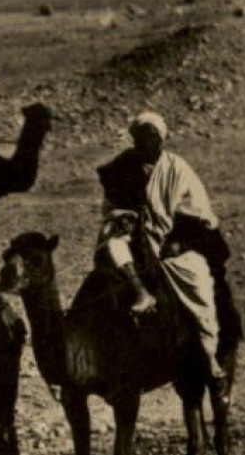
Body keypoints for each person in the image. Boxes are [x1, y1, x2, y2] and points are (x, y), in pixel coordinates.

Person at [96, 111, 230, 386]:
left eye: (151, 137)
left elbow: (198, 212)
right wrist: (120, 217)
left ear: (161, 138)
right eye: (140, 137)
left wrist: (178, 239)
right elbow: (111, 206)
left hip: (172, 241)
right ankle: (140, 294)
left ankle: (208, 351)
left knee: (198, 281)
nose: (146, 143)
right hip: (134, 239)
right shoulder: (123, 166)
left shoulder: (177, 169)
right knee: (111, 247)